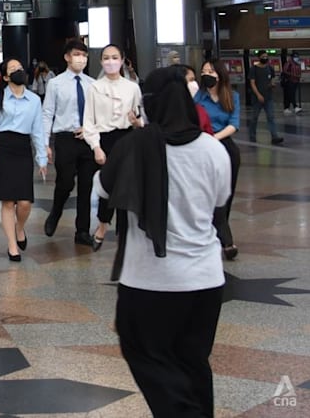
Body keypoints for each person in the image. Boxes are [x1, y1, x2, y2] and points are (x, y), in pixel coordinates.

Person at [94, 66, 230, 418]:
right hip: (205, 280)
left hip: (149, 283)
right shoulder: (214, 151)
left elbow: (103, 188)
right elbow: (219, 202)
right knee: (193, 361)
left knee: (146, 354)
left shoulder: (134, 146)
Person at [0, 59, 48, 262]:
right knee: (8, 200)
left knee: (25, 202)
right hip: (3, 147)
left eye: (20, 67)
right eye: (13, 70)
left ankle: (20, 228)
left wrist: (42, 158)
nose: (18, 71)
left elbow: (38, 130)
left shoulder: (34, 100)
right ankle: (12, 246)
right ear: (5, 77)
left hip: (22, 149)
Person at [84, 44, 143, 251]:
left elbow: (140, 116)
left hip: (127, 139)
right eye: (106, 58)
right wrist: (96, 147)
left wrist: (138, 123)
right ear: (101, 61)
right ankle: (102, 226)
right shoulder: (94, 88)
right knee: (106, 186)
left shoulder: (132, 87)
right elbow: (89, 122)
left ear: (122, 60)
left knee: (127, 187)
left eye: (115, 57)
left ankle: (125, 233)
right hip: (104, 140)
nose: (111, 62)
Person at [42, 40, 96, 246]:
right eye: (76, 54)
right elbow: (48, 113)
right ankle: (56, 211)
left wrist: (90, 128)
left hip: (87, 139)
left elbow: (96, 113)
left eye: (84, 55)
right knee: (65, 181)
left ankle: (82, 230)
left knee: (86, 185)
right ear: (67, 57)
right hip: (65, 138)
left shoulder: (91, 84)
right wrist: (44, 142)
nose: (80, 59)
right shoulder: (55, 83)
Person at [195, 59, 242, 261]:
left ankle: (221, 232)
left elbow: (234, 123)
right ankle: (225, 239)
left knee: (226, 193)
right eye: (204, 71)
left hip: (224, 146)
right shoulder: (199, 97)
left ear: (220, 74)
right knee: (208, 193)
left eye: (211, 71)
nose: (207, 74)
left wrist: (216, 137)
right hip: (203, 146)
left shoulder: (232, 96)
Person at [248, 49, 284, 145]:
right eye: (263, 57)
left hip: (268, 97)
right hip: (257, 98)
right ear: (259, 58)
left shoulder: (270, 68)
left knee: (271, 117)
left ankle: (274, 136)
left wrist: (272, 84)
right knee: (254, 118)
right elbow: (252, 83)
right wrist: (258, 94)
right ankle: (252, 135)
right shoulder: (254, 69)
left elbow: (272, 79)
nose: (265, 58)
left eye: (266, 56)